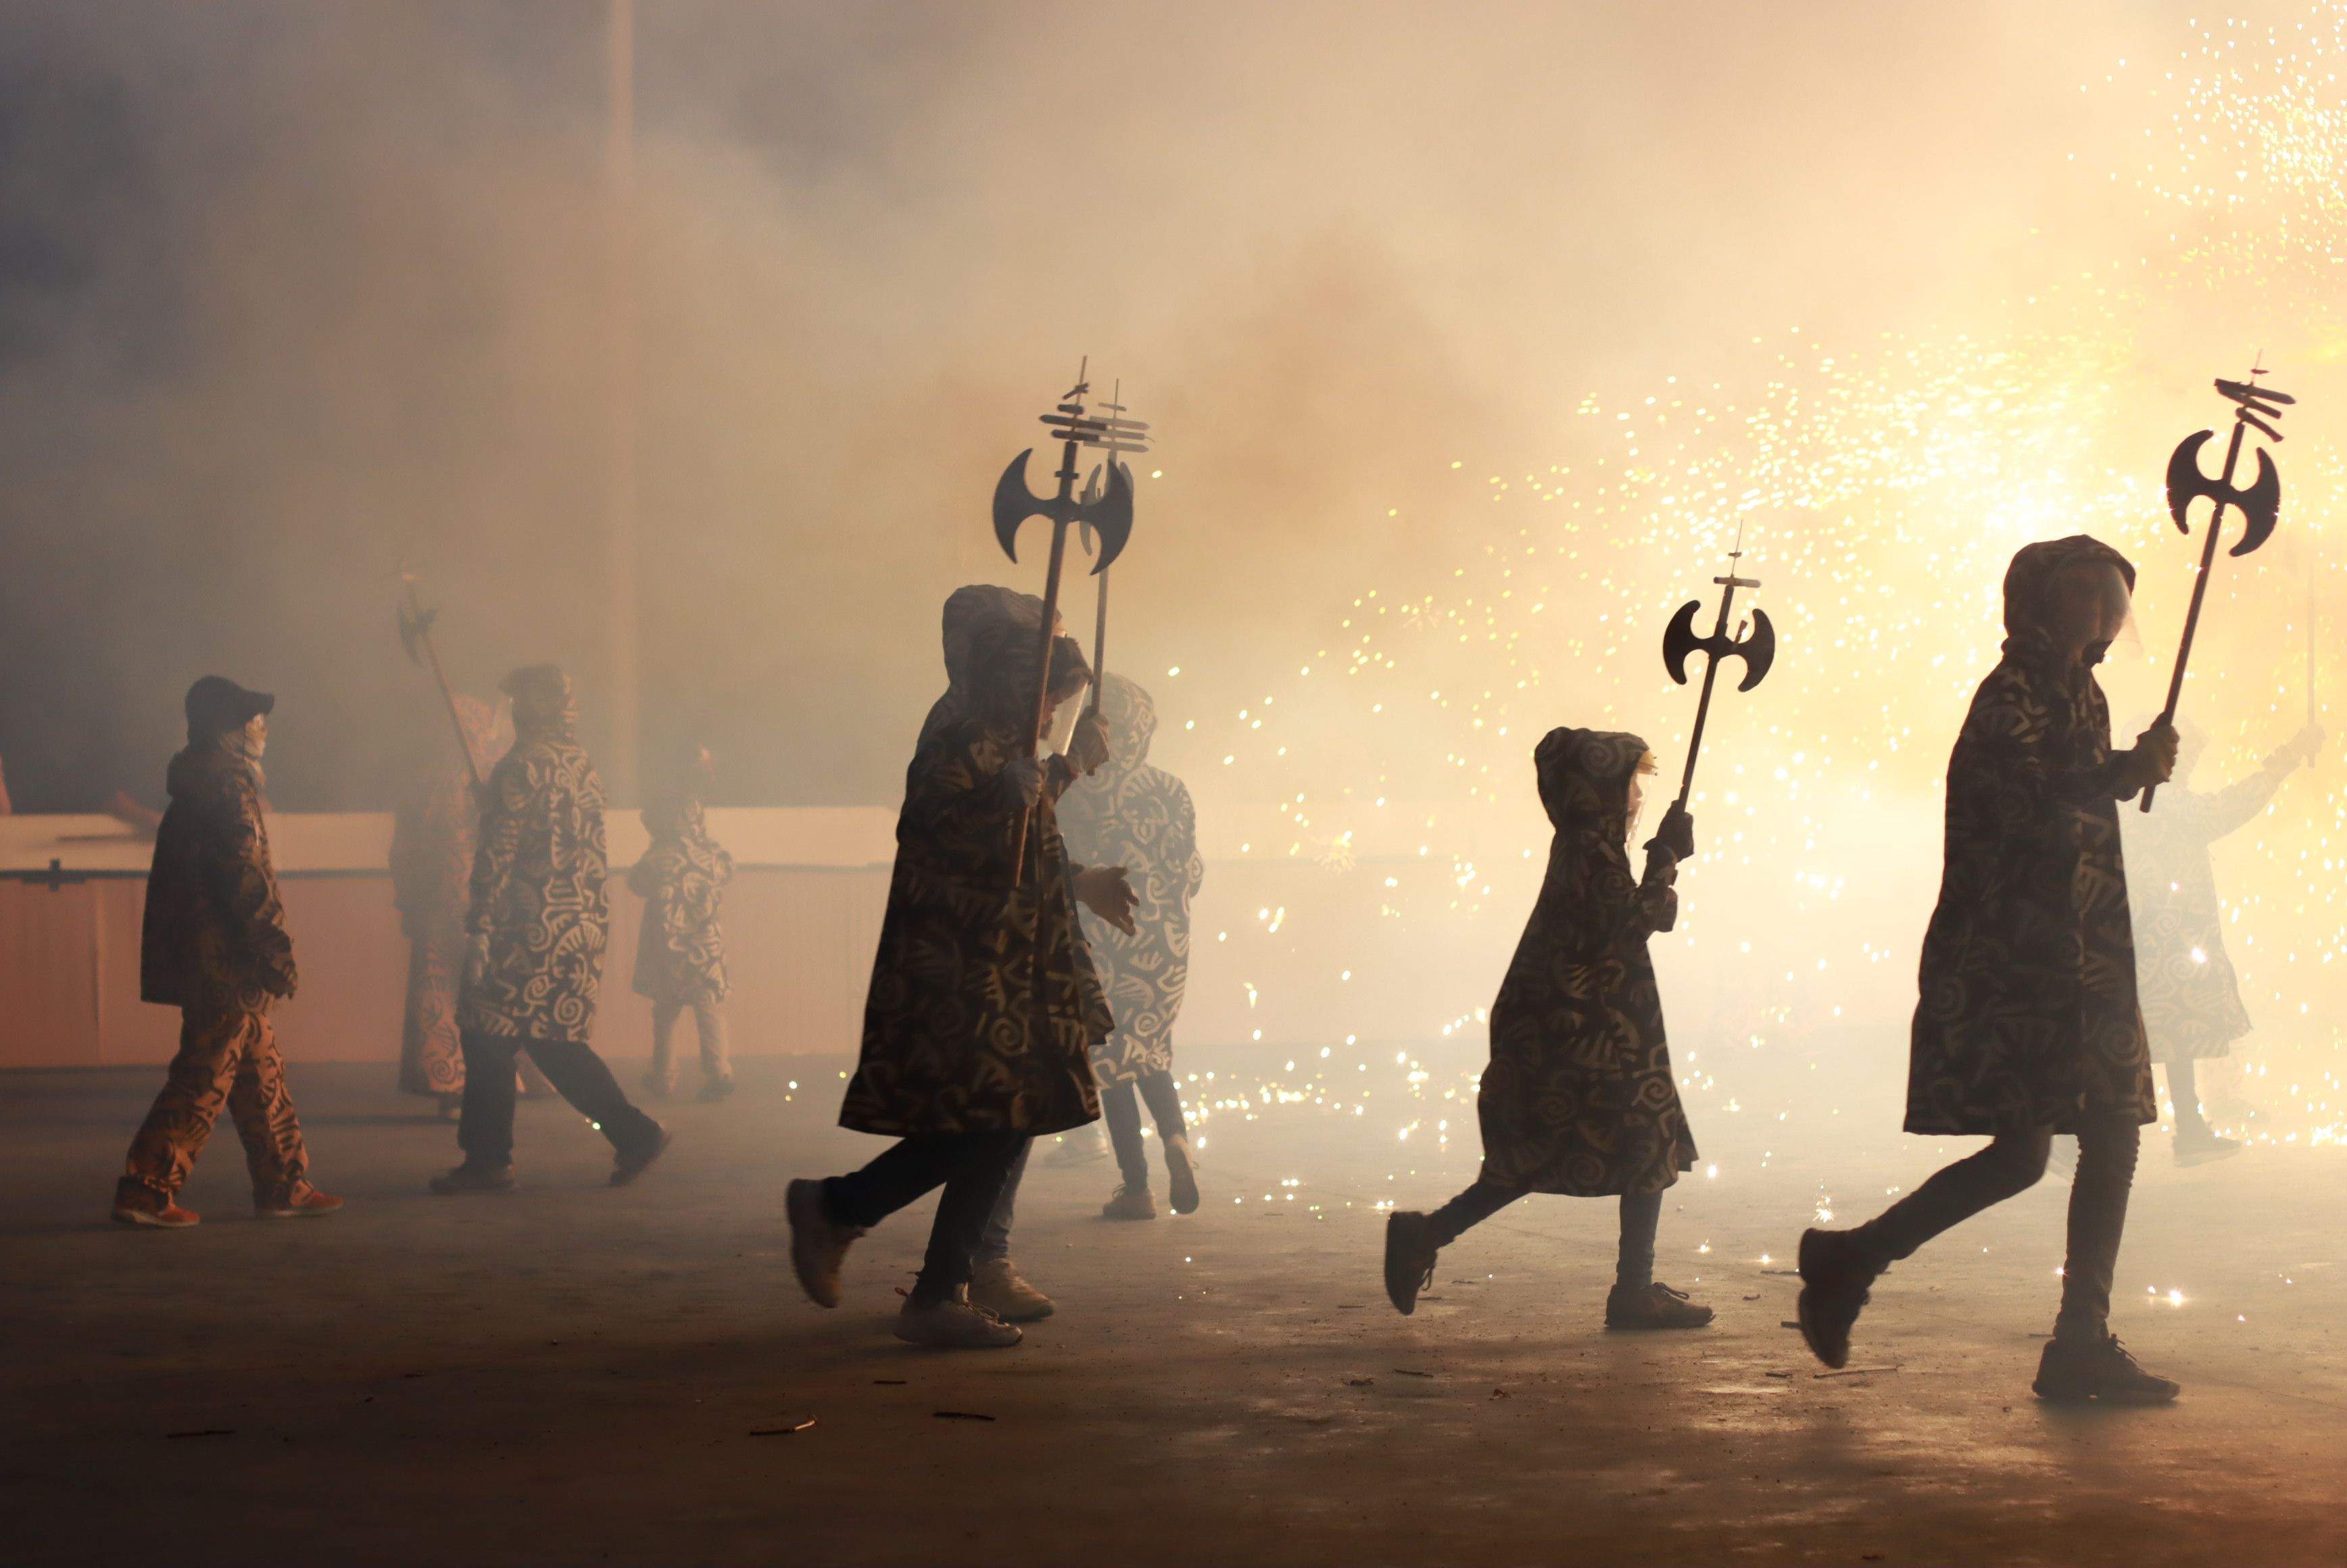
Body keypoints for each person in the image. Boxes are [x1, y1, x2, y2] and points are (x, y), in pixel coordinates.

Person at [1797, 535, 2181, 1402]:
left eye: (2107, 598)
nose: (2100, 613)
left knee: (2098, 1134)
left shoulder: (2083, 693)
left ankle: (1863, 1263)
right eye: (2083, 596)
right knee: (2027, 1153)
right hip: (2021, 960)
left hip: (2079, 954)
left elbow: (2077, 795)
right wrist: (2122, 772)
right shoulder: (2009, 697)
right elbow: (2029, 802)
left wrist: (2121, 770)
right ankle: (1859, 1263)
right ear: (2040, 605)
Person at [785, 586, 1135, 1348]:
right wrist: (1002, 800)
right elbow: (930, 829)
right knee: (999, 1114)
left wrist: (1068, 768)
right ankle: (878, 1235)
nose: (1050, 710)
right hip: (968, 961)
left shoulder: (1005, 733)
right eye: (1044, 691)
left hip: (1013, 958)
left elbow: (1026, 817)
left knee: (1011, 1112)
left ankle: (902, 1246)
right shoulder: (962, 730)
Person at [1383, 728, 1709, 1329]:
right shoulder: (1592, 849)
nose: (1637, 795)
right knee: (1642, 1138)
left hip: (1574, 1026)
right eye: (1629, 781)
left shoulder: (1585, 846)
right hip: (1591, 1033)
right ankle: (1632, 1291)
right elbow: (1632, 923)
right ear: (1598, 790)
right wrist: (1663, 861)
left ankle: (1427, 1233)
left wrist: (1658, 863)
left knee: (1546, 1154)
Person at [110, 676, 341, 1227]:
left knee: (260, 1069)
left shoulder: (202, 779)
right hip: (226, 958)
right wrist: (273, 948)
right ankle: (145, 1187)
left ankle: (284, 1184)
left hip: (211, 951)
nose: (262, 729)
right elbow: (244, 874)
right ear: (229, 731)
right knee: (204, 1072)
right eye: (252, 719)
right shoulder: (226, 784)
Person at [431, 664, 668, 1194]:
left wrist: (481, 922)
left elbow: (500, 852)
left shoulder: (520, 767)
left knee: (488, 1033)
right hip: (580, 925)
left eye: (520, 702)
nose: (514, 712)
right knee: (551, 1038)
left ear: (531, 708)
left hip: (527, 928)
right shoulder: (581, 764)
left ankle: (489, 1159)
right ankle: (634, 1134)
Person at [2123, 714, 2321, 1162]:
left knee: (2163, 1035)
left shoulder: (2131, 799)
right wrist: (2283, 761)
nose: (2185, 763)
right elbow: (2229, 808)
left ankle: (2184, 1126)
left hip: (2144, 935)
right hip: (2164, 939)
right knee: (2165, 1032)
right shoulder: (2166, 801)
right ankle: (2070, 1130)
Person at [1052, 673, 1205, 1221]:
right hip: (1166, 941)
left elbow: (1056, 860)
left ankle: (1136, 1186)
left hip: (1103, 931)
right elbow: (1193, 869)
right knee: (1149, 1047)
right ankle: (1177, 1139)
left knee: (1109, 1059)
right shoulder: (1171, 788)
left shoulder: (1076, 788)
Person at [391, 695, 514, 1117]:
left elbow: (405, 847)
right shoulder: (491, 777)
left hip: (445, 904)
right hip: (476, 903)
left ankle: (453, 1085)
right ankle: (478, 1086)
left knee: (445, 989)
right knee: (480, 990)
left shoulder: (433, 780)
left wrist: (407, 898)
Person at [629, 741, 735, 1102]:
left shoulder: (658, 856)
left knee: (666, 1014)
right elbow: (727, 871)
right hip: (705, 948)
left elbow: (637, 883)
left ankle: (664, 1076)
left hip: (668, 952)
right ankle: (719, 1071)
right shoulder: (711, 854)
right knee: (711, 1009)